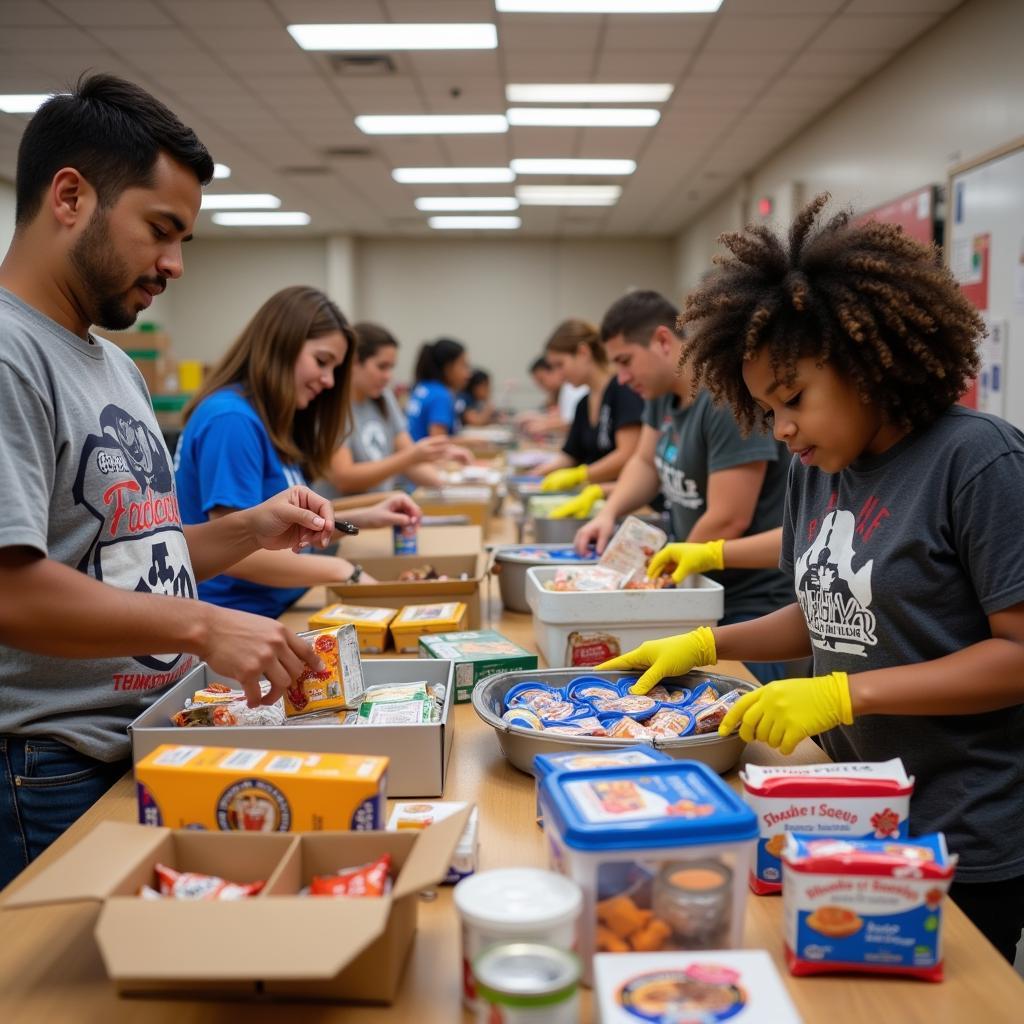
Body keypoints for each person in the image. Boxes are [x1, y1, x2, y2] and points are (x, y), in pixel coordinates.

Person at [599, 194, 1024, 963]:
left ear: (867, 363)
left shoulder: (979, 462)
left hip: (958, 822)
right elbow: (820, 613)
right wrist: (702, 644)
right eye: (767, 409)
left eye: (793, 399)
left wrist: (842, 692)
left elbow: (1018, 655)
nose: (783, 428)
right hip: (849, 793)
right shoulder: (814, 469)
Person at [0, 75, 339, 886]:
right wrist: (199, 627)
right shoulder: (10, 353)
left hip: (144, 735)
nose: (175, 264)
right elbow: (12, 592)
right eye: (161, 230)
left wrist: (246, 530)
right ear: (71, 198)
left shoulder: (114, 364)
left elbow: (124, 554)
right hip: (53, 764)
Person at [574, 290, 793, 683]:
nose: (621, 378)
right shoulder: (661, 396)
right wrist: (608, 513)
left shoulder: (725, 402)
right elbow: (644, 462)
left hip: (751, 604)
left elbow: (729, 518)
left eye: (625, 362)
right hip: (700, 591)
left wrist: (661, 575)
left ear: (662, 341)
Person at [175, 289, 421, 618]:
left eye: (335, 368)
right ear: (281, 345)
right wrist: (339, 570)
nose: (329, 381)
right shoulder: (231, 420)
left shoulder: (271, 417)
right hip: (240, 616)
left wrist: (361, 519)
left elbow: (283, 528)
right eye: (322, 362)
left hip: (279, 605)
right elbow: (239, 551)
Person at [321, 321, 471, 497]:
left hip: (379, 513)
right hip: (345, 519)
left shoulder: (383, 397)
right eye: (381, 366)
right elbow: (344, 479)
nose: (388, 376)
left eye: (391, 367)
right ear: (354, 362)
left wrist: (450, 486)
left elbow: (410, 459)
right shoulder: (334, 406)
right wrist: (411, 457)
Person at [535, 318, 643, 492]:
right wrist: (536, 475)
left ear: (583, 352)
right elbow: (570, 455)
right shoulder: (583, 404)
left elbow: (627, 455)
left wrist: (581, 474)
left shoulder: (622, 390)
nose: (559, 375)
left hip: (626, 497)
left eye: (560, 365)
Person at [406, 336, 471, 440]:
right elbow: (438, 443)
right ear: (448, 367)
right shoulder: (440, 396)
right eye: (463, 365)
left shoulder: (424, 387)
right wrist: (473, 442)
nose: (468, 374)